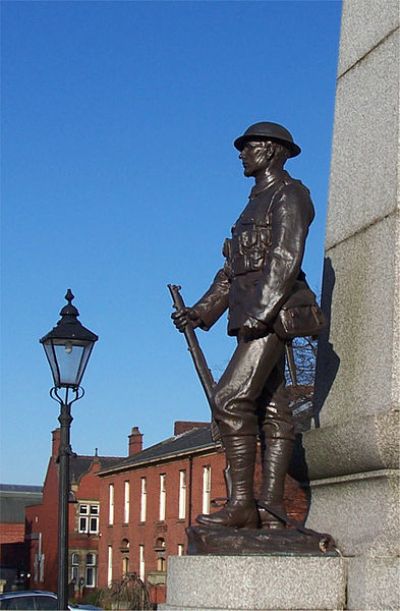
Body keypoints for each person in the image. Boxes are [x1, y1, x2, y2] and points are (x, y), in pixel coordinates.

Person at [172, 122, 315, 529]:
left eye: (249, 147)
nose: (241, 154)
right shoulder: (253, 203)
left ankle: (241, 505)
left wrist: (261, 311)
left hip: (268, 318)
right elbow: (233, 270)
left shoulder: (290, 196)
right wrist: (201, 312)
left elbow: (285, 257)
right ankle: (271, 509)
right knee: (273, 411)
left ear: (271, 151)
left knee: (230, 400)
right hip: (250, 317)